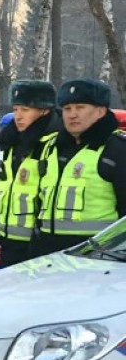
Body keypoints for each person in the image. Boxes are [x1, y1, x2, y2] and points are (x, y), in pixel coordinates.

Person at [34, 79, 126, 256]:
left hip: (96, 258)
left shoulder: (117, 150)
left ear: (100, 111)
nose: (72, 115)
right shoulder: (51, 148)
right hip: (46, 256)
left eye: (80, 107)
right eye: (67, 109)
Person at [0, 80, 60, 267]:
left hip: (38, 247)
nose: (18, 116)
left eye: (25, 110)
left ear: (44, 110)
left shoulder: (53, 144)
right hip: (9, 242)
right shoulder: (12, 144)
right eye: (15, 110)